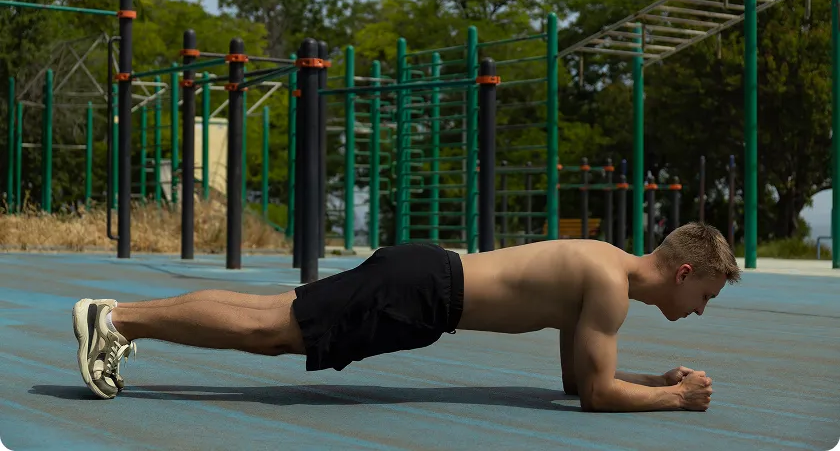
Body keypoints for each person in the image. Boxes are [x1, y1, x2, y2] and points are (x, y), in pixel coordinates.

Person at [72, 221, 739, 412]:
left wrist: (651, 380)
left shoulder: (603, 269)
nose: (701, 311)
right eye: (705, 296)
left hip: (424, 282)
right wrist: (677, 398)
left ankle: (118, 319)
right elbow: (594, 396)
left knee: (274, 316)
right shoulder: (610, 287)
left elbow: (578, 381)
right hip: (423, 292)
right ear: (684, 273)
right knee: (272, 330)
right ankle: (119, 321)